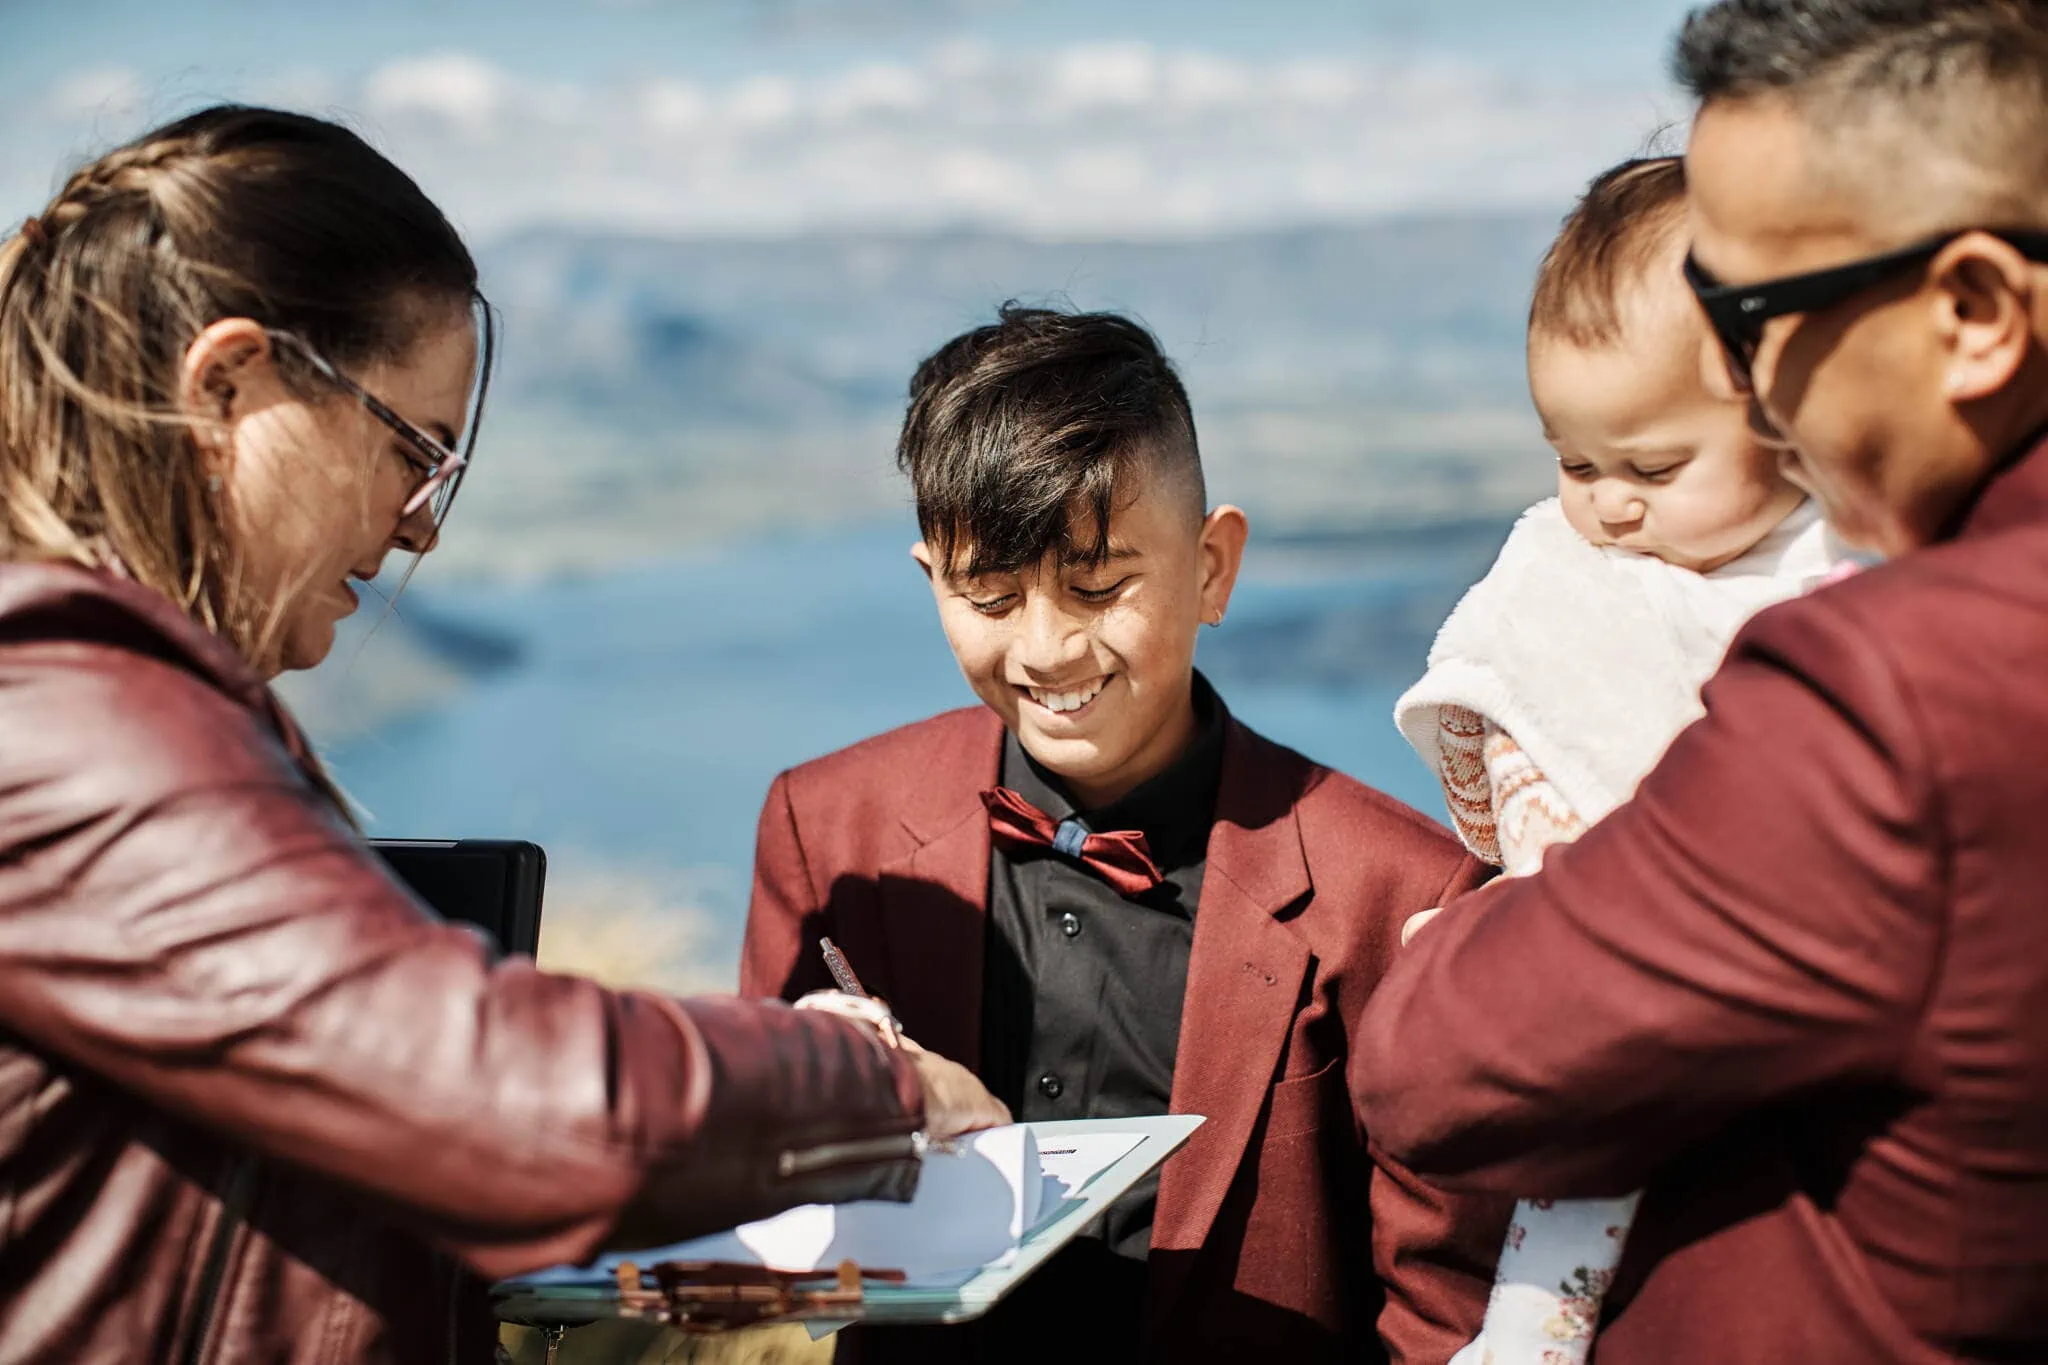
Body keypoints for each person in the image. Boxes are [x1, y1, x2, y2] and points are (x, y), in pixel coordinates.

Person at [0, 105, 1006, 1365]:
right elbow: (498, 1094)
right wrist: (880, 1090)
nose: (423, 525)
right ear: (227, 387)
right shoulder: (71, 720)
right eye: (412, 448)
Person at [1353, 1, 2048, 1359]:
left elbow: (1439, 1064)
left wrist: (1464, 951)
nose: (1743, 385)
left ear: (1972, 311)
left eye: (1746, 312)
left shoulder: (1897, 698)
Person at [739, 306, 1489, 1365]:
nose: (1045, 650)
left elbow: (1444, 1306)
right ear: (931, 580)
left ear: (1212, 566)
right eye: (988, 596)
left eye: (1098, 587)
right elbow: (756, 1206)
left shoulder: (1399, 888)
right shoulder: (829, 829)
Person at [1389, 154, 1838, 1363]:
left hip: (1771, 1037)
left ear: (1783, 422)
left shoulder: (1837, 576)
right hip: (1588, 987)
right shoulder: (1568, 573)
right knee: (1565, 1200)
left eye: (1651, 468)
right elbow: (1517, 704)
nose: (1607, 508)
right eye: (1574, 464)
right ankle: (1528, 1337)